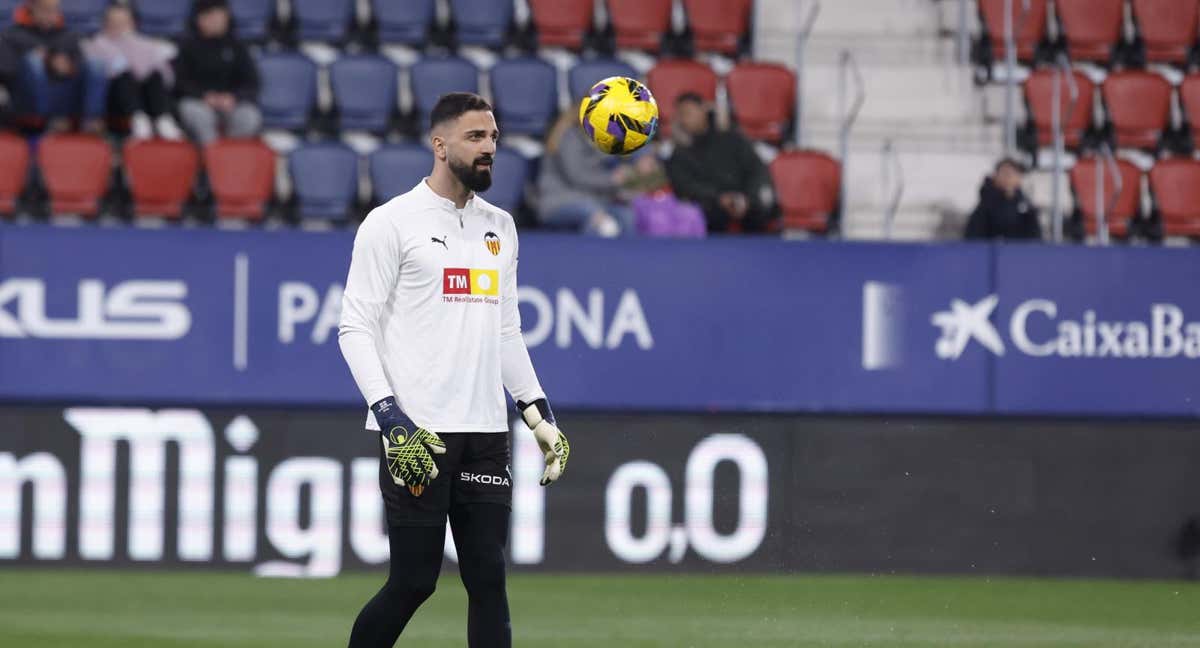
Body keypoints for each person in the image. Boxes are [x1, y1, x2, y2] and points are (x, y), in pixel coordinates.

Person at [338, 92, 570, 648]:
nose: (489, 148)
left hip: (487, 430)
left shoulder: (502, 227)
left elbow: (506, 330)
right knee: (414, 582)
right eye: (476, 137)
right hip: (418, 433)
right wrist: (392, 420)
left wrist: (537, 413)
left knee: (489, 578)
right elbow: (354, 328)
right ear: (440, 146)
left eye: (493, 137)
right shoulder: (390, 222)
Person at [665, 92, 778, 233]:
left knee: (765, 206)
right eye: (681, 115)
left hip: (744, 201)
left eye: (688, 113)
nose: (685, 120)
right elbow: (685, 185)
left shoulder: (732, 138)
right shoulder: (680, 151)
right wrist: (719, 199)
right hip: (710, 207)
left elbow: (756, 170)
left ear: (703, 110)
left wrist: (749, 198)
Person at [0, 0, 107, 132]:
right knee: (33, 62)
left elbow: (81, 63)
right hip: (27, 98)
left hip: (66, 94)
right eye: (44, 9)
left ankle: (91, 121)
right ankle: (47, 120)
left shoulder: (70, 35)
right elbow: (6, 70)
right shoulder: (11, 35)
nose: (50, 14)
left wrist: (70, 66)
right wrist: (46, 62)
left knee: (97, 64)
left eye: (54, 10)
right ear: (31, 8)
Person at [83, 3, 183, 140]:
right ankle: (139, 121)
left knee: (155, 74)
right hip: (115, 98)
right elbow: (113, 69)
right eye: (113, 21)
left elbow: (164, 74)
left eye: (123, 21)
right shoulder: (96, 44)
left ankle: (163, 119)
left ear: (132, 23)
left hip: (145, 94)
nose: (118, 25)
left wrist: (130, 45)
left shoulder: (144, 43)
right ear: (105, 23)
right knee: (124, 75)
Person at [538, 110, 637, 236]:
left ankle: (626, 255)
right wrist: (612, 179)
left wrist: (622, 182)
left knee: (627, 216)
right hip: (559, 201)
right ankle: (587, 254)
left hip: (593, 201)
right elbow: (577, 177)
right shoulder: (568, 138)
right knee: (599, 219)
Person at [173, 0, 260, 144]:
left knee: (249, 116)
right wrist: (204, 96)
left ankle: (231, 156)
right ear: (200, 19)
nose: (217, 21)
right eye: (211, 16)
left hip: (230, 102)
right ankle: (210, 158)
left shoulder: (237, 46)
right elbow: (180, 83)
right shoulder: (187, 46)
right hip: (199, 101)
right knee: (196, 113)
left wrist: (234, 97)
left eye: (220, 16)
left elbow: (252, 82)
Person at [964, 158, 1042, 240]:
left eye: (1012, 174)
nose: (1008, 178)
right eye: (1005, 174)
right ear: (996, 177)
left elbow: (1035, 238)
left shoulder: (1027, 207)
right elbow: (973, 236)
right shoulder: (985, 206)